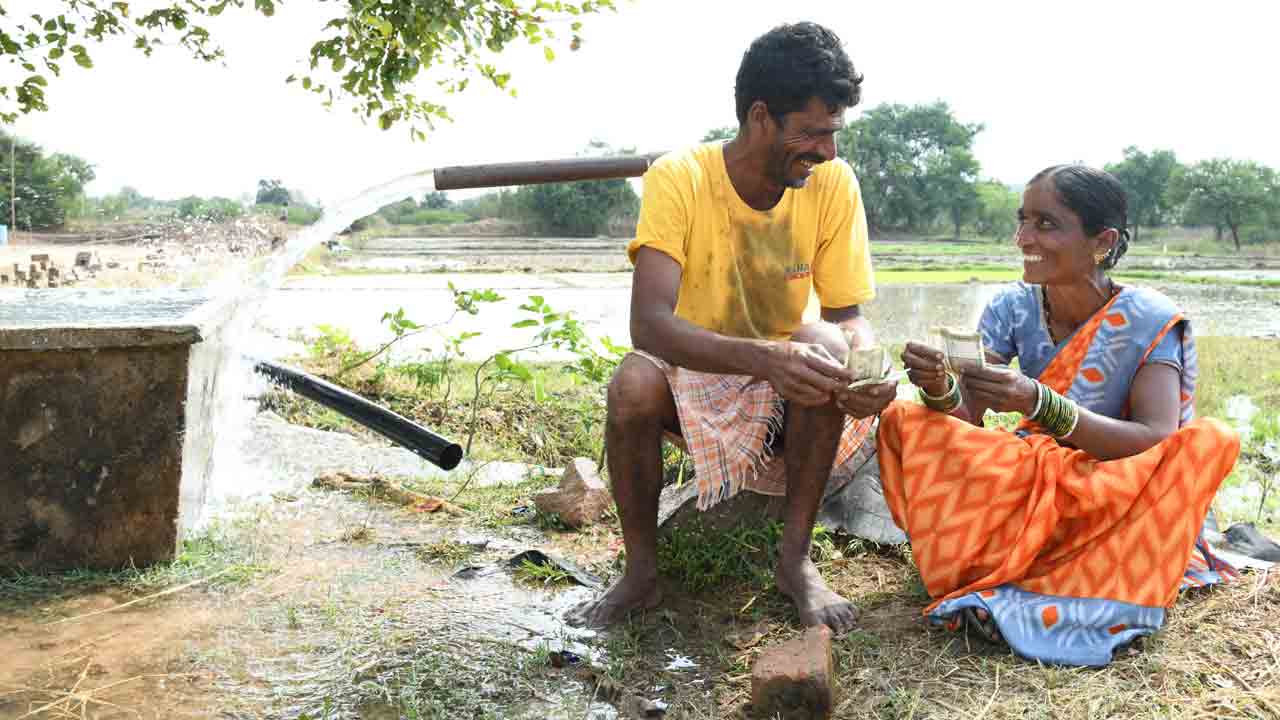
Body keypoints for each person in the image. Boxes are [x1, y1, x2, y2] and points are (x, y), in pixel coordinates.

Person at [566, 22, 896, 634]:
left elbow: (848, 315)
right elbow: (650, 326)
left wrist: (871, 367)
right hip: (693, 370)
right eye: (813, 133)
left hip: (778, 388)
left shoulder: (832, 185)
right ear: (761, 116)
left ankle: (794, 561)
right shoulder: (681, 177)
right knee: (632, 383)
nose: (826, 150)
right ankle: (640, 575)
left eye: (832, 134)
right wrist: (764, 358)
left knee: (826, 346)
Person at [880, 164, 1241, 666]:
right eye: (1022, 220)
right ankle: (1026, 557)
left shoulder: (1148, 318)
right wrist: (939, 386)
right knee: (905, 420)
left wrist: (1038, 403)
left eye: (1045, 224)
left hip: (1116, 489)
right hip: (1036, 478)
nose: (1023, 237)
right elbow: (963, 421)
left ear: (1102, 240)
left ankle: (1067, 585)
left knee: (1209, 441)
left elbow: (1158, 440)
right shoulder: (1011, 308)